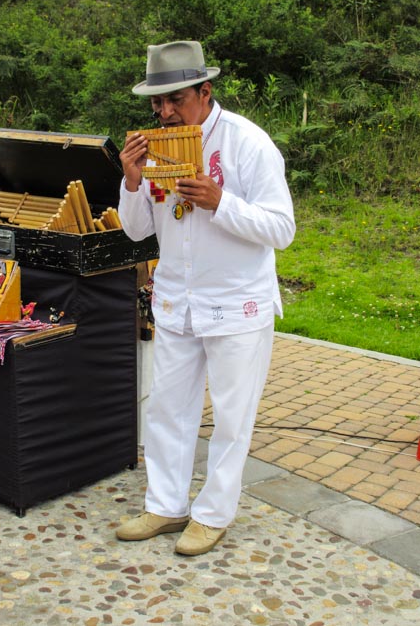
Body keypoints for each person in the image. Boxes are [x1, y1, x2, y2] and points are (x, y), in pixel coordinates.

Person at [116, 40, 295, 555]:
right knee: (167, 411)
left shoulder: (247, 143)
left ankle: (213, 514)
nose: (166, 112)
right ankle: (165, 506)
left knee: (233, 419)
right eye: (157, 103)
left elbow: (282, 228)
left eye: (176, 99)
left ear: (205, 91)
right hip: (175, 298)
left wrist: (222, 202)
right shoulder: (155, 148)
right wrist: (131, 181)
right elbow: (135, 232)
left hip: (237, 302)